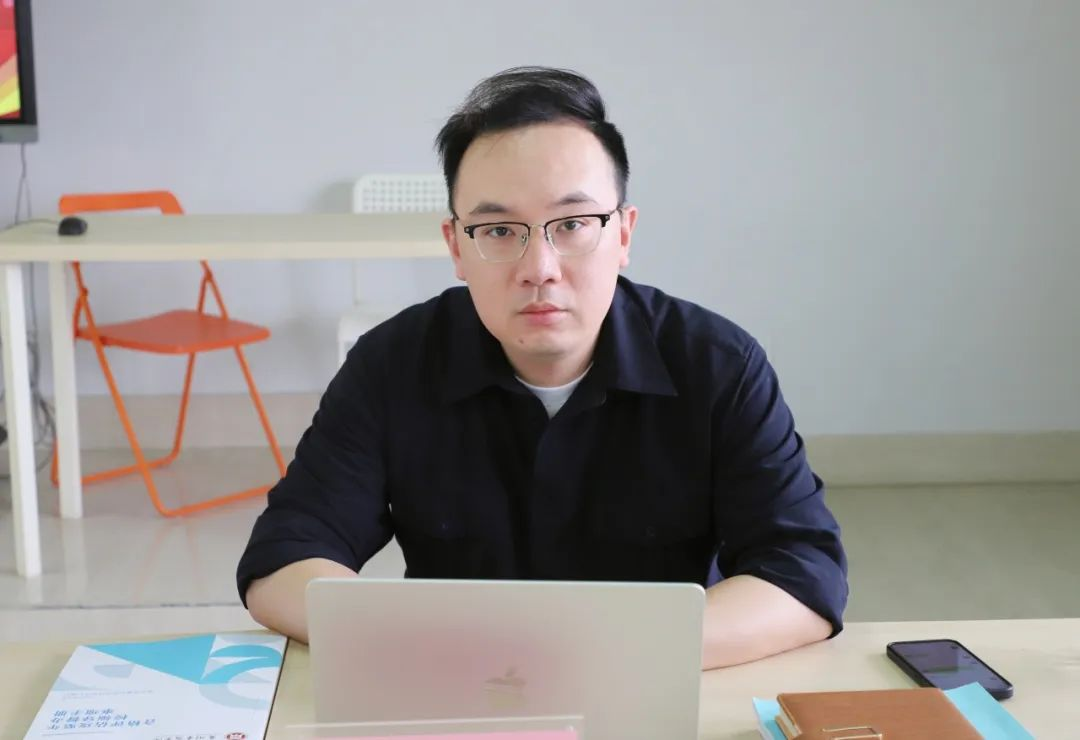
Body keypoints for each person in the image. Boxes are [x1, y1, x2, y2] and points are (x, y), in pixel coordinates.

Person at [237, 66, 847, 669]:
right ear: (456, 247)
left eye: (573, 224)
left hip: (655, 682)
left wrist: (596, 655)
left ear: (623, 234)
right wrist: (427, 646)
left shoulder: (717, 366)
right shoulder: (392, 365)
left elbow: (802, 574)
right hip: (457, 687)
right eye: (500, 230)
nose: (540, 268)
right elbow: (284, 559)